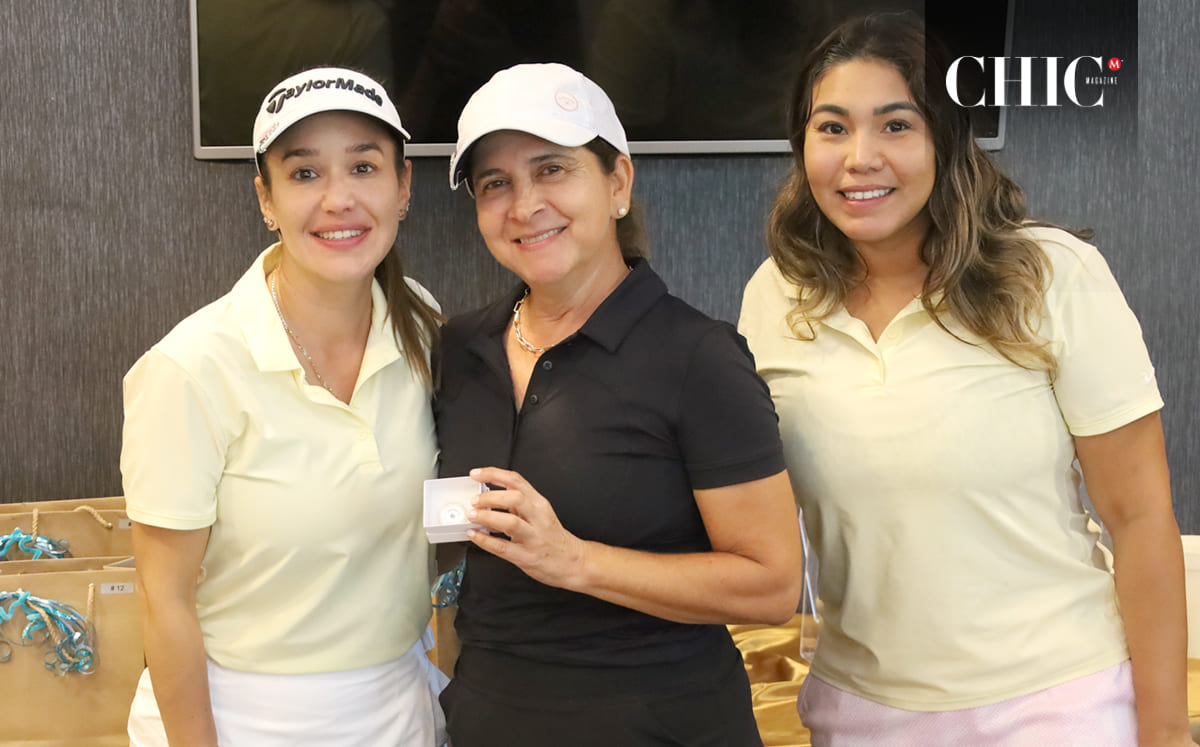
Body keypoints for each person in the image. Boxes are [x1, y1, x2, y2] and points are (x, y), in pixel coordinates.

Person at [737, 14, 1193, 747]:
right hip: (860, 708)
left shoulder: (1050, 275)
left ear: (947, 138)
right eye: (832, 128)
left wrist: (1167, 731)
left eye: (896, 125)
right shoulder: (775, 295)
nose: (860, 158)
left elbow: (1141, 520)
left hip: (1057, 702)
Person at [434, 62, 804, 747]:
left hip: (662, 724)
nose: (524, 205)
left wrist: (574, 559)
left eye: (552, 170)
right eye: (496, 184)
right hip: (487, 721)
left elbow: (771, 584)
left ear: (618, 183)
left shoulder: (698, 357)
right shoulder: (459, 347)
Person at [121, 67, 445, 746]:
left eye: (364, 166)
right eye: (304, 174)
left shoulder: (422, 325)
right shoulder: (192, 366)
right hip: (236, 715)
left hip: (395, 704)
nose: (339, 199)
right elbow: (165, 599)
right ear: (265, 197)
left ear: (404, 185)